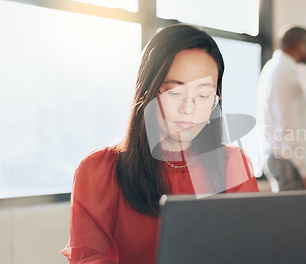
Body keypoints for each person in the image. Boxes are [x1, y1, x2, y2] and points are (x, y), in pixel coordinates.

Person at [62, 24, 259, 264]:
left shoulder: (233, 165)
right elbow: (91, 259)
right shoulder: (98, 171)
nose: (188, 109)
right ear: (148, 93)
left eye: (203, 96)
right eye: (174, 93)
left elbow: (247, 252)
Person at [257, 26, 306, 191]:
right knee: (299, 216)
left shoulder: (273, 68)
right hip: (291, 165)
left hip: (286, 161)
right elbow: (289, 129)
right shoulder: (283, 74)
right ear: (301, 46)